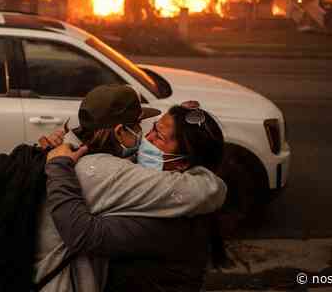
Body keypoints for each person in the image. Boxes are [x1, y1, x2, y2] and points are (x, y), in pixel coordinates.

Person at [31, 86, 227, 292]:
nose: (146, 139)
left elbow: (86, 234)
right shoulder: (149, 186)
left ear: (181, 163)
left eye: (157, 136)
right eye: (149, 129)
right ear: (120, 131)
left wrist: (58, 162)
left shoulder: (174, 217)